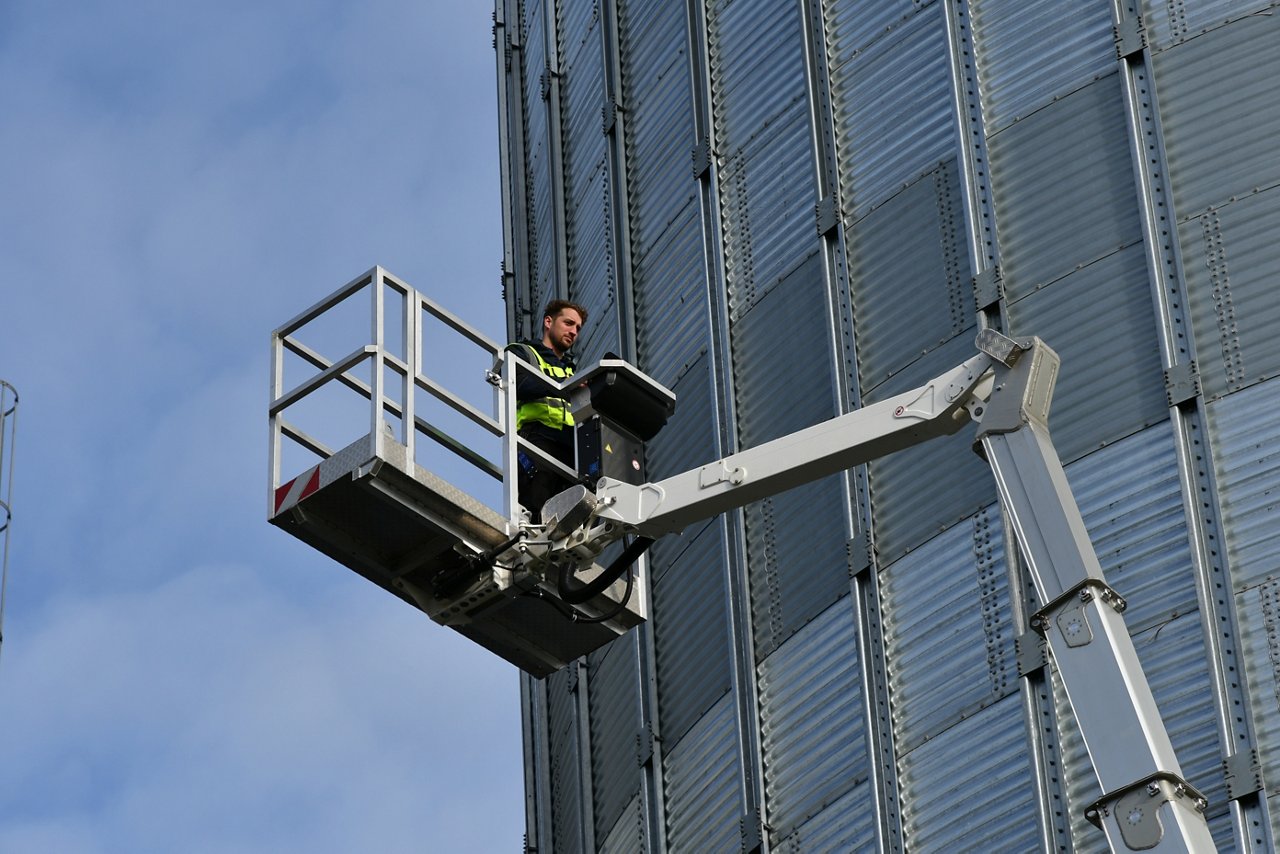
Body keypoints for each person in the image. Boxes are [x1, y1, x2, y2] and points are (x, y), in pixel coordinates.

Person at [508, 299, 588, 520]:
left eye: (578, 328)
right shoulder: (524, 352)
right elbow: (520, 384)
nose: (573, 332)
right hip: (538, 441)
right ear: (548, 321)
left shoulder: (573, 372)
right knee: (535, 515)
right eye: (569, 323)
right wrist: (565, 388)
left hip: (571, 450)